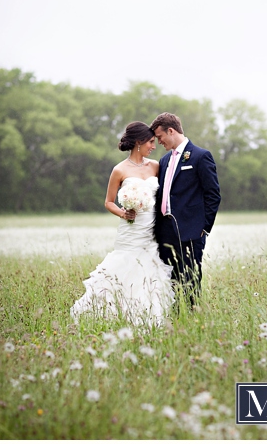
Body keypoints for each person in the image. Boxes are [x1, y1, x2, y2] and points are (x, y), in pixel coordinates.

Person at [71, 122, 174, 327]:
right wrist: (123, 213)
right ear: (138, 142)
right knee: (123, 269)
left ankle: (150, 319)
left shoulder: (155, 166)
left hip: (151, 232)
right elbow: (108, 201)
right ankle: (116, 315)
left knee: (150, 272)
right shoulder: (119, 170)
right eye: (150, 142)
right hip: (130, 231)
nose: (153, 146)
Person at [150, 112, 221, 308]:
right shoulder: (163, 161)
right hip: (165, 231)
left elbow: (213, 195)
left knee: (190, 279)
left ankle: (192, 317)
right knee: (169, 279)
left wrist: (204, 228)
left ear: (170, 131)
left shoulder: (200, 156)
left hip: (191, 230)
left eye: (160, 137)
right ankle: (174, 317)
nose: (159, 142)